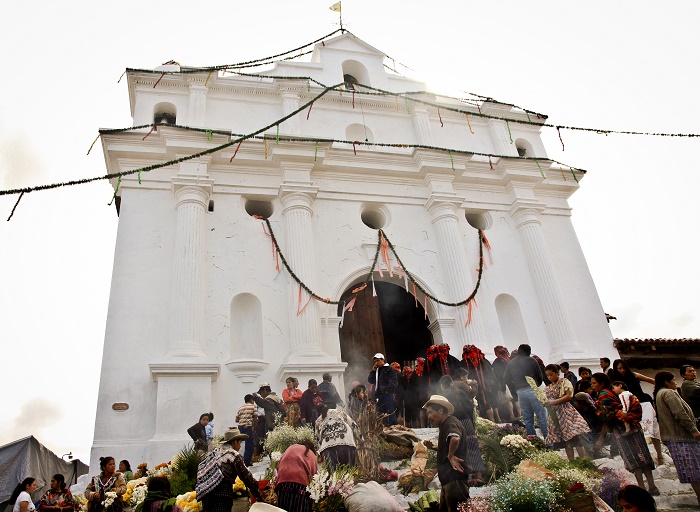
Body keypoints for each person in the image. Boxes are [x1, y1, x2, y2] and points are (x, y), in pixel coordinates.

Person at [590, 373, 659, 495]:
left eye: (594, 383)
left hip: (622, 429)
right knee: (643, 456)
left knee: (632, 458)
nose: (592, 385)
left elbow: (607, 415)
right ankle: (652, 486)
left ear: (601, 383)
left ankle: (642, 487)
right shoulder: (612, 393)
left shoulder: (604, 395)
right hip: (633, 426)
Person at [653, 370, 700, 507]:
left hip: (677, 438)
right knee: (696, 471)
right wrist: (694, 430)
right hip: (682, 437)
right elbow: (680, 413)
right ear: (667, 382)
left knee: (694, 473)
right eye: (673, 380)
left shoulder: (660, 394)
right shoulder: (668, 393)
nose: (675, 383)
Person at [610, 359, 664, 464]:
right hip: (631, 408)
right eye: (619, 368)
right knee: (640, 432)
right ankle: (645, 457)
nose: (622, 370)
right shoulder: (615, 383)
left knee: (653, 429)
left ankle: (659, 455)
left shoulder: (634, 375)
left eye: (624, 368)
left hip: (644, 403)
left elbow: (652, 380)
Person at [422, 395, 470, 512]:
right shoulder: (445, 424)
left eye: (430, 413)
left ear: (440, 410)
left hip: (455, 478)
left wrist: (450, 456)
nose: (428, 417)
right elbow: (450, 444)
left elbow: (455, 439)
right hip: (449, 478)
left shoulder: (450, 423)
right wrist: (433, 447)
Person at [197, 429, 264, 512]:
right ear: (234, 442)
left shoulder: (216, 452)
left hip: (207, 495)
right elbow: (247, 477)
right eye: (239, 442)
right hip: (222, 495)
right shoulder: (233, 455)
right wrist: (259, 497)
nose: (240, 446)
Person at [439, 375, 485, 486]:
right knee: (473, 446)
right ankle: (479, 476)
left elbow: (444, 415)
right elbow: (470, 407)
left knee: (461, 449)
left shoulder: (444, 396)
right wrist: (472, 424)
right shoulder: (461, 392)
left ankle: (467, 477)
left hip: (455, 423)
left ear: (442, 385)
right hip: (467, 421)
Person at [543, 364, 590, 460]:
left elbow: (569, 396)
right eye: (547, 375)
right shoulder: (548, 387)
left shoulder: (564, 382)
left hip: (566, 412)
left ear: (557, 373)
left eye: (551, 374)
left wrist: (554, 402)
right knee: (566, 441)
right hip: (556, 415)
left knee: (575, 438)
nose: (549, 377)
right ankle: (572, 461)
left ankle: (584, 460)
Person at [503, 344, 548, 439]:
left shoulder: (511, 363)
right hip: (532, 389)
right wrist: (535, 385)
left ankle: (533, 440)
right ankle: (548, 440)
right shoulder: (531, 360)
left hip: (520, 392)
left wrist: (514, 388)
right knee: (541, 415)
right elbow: (540, 376)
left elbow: (506, 378)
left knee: (527, 418)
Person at [314, 404, 361, 472]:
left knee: (334, 475)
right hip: (347, 442)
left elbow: (318, 438)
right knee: (350, 472)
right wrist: (361, 438)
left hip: (328, 447)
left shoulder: (318, 421)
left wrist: (320, 452)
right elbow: (353, 424)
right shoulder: (339, 412)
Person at [275, 442, 318, 512]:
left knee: (282, 508)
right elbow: (314, 478)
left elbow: (279, 466)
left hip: (283, 484)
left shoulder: (291, 448)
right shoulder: (311, 454)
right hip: (300, 487)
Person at [368, 353, 398, 426]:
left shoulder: (389, 369)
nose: (376, 363)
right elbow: (370, 380)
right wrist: (373, 371)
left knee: (390, 411)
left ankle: (392, 426)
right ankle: (383, 426)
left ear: (382, 360)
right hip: (378, 394)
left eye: (378, 360)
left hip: (387, 394)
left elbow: (393, 382)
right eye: (375, 361)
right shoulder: (377, 370)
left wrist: (386, 390)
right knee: (380, 412)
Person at [491, 346, 519, 421]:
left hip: (505, 383)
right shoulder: (508, 359)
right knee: (515, 399)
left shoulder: (497, 361)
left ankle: (512, 416)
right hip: (513, 382)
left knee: (508, 399)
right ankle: (520, 414)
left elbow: (496, 373)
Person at [235, 394, 258, 466]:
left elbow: (236, 420)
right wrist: (254, 427)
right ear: (251, 400)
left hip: (240, 427)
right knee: (249, 445)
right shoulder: (253, 406)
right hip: (248, 427)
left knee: (240, 444)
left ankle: (239, 461)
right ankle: (246, 463)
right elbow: (255, 418)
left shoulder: (241, 408)